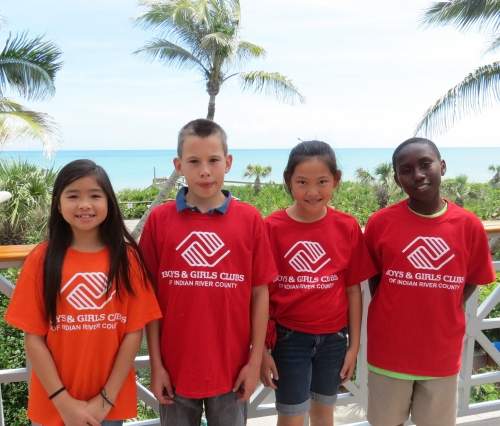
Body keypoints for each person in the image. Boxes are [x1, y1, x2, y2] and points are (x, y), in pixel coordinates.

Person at [139, 118, 277, 426]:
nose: (205, 170)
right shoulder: (160, 220)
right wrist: (156, 365)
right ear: (178, 165)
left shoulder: (250, 219)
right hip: (174, 371)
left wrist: (254, 362)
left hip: (232, 369)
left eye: (213, 160)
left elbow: (260, 292)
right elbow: (149, 299)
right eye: (194, 161)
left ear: (228, 163)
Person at [5, 159, 162, 426]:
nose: (84, 204)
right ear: (58, 203)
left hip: (108, 407)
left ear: (109, 203)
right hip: (54, 406)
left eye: (95, 195)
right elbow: (33, 339)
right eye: (73, 195)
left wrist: (105, 400)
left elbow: (133, 334)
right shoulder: (41, 259)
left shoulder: (128, 259)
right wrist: (63, 402)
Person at [365, 137, 496, 426]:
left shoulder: (469, 225)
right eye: (406, 169)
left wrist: (445, 303)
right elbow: (376, 279)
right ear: (398, 178)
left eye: (425, 164)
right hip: (389, 352)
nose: (418, 175)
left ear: (443, 166)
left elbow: (474, 278)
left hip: (441, 353)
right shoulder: (380, 223)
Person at [260, 140, 377, 426]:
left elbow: (353, 290)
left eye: (322, 181)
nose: (312, 192)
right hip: (289, 339)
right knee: (291, 416)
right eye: (302, 182)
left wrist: (353, 347)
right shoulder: (271, 228)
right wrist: (262, 351)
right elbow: (261, 292)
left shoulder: (346, 226)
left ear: (336, 180)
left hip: (334, 340)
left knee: (325, 413)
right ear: (288, 181)